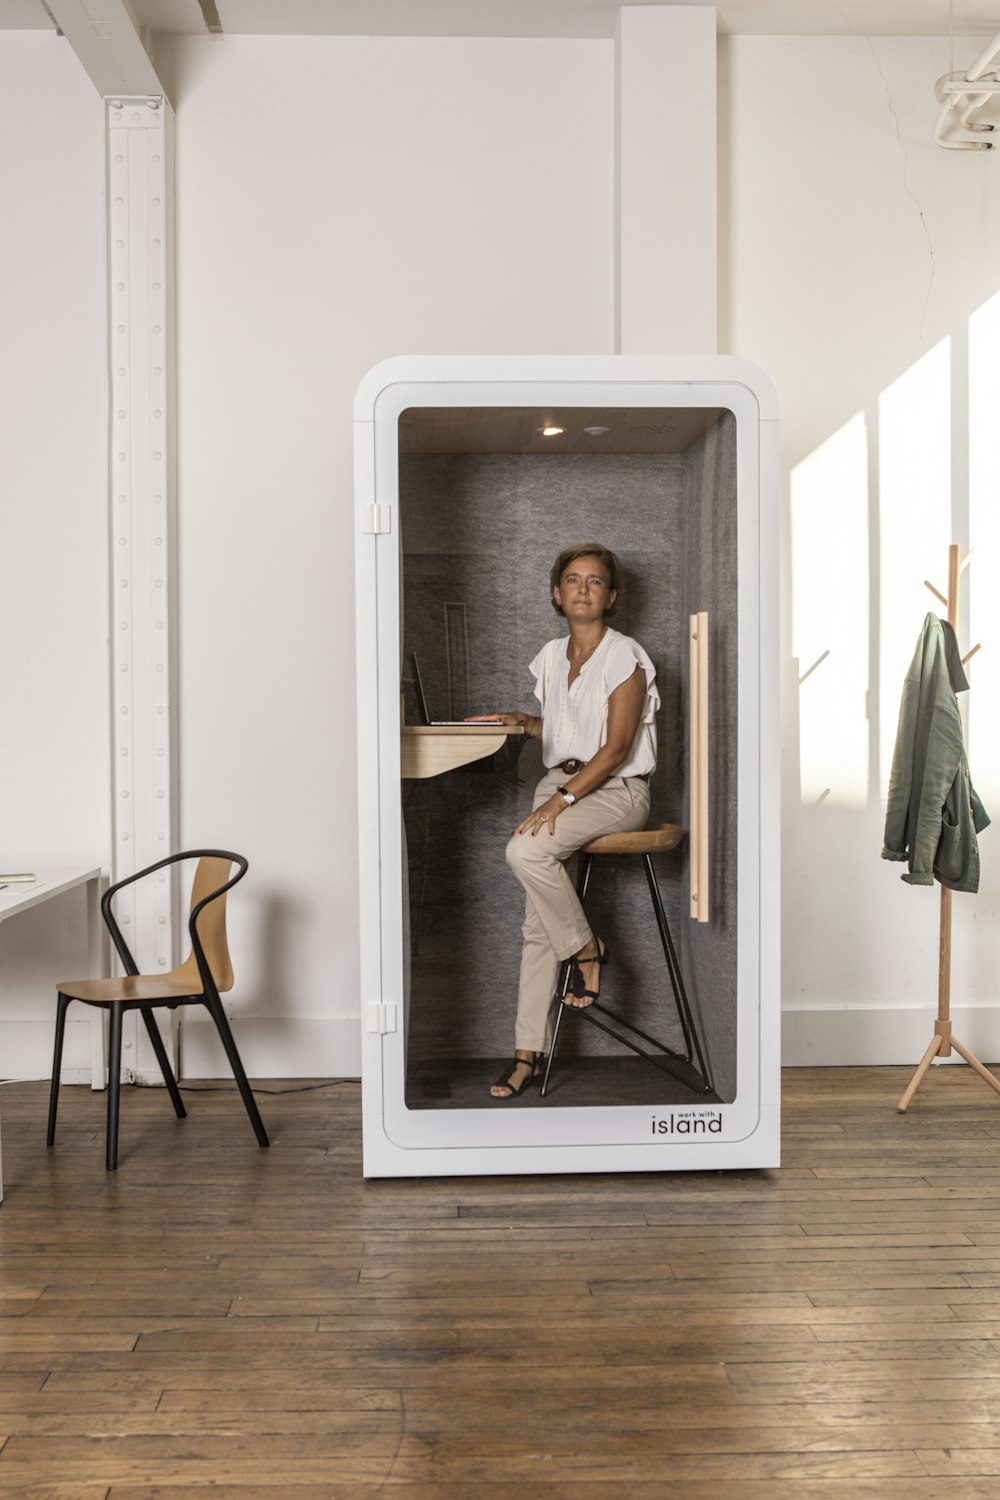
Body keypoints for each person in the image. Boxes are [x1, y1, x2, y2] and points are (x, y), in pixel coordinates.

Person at [468, 543, 659, 1100]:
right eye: (572, 580)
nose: (582, 588)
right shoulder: (552, 655)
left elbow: (618, 747)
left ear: (612, 596)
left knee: (524, 852)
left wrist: (561, 802)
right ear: (556, 593)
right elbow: (567, 727)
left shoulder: (626, 655)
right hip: (562, 782)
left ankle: (586, 949)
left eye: (595, 581)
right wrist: (526, 723)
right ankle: (527, 1054)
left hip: (617, 790)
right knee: (535, 924)